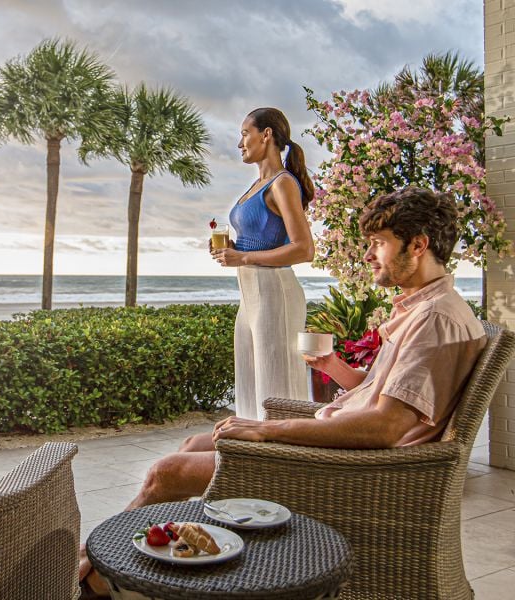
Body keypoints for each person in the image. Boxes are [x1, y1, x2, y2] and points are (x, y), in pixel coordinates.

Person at [79, 186, 487, 598]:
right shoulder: (427, 307)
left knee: (167, 472)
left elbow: (386, 426)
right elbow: (386, 395)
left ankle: (94, 575)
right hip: (349, 452)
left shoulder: (435, 319)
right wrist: (335, 368)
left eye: (378, 244)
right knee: (193, 442)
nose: (368, 256)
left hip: (356, 472)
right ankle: (143, 564)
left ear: (418, 245)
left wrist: (266, 431)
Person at [211, 107, 315, 421]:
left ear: (266, 134)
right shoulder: (257, 186)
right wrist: (234, 249)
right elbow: (260, 237)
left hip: (274, 293)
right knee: (249, 386)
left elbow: (304, 249)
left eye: (245, 133)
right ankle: (250, 458)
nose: (240, 142)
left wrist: (243, 257)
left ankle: (285, 462)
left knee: (276, 390)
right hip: (250, 296)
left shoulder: (282, 183)